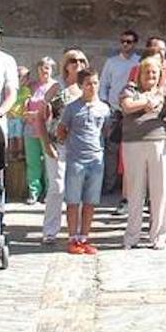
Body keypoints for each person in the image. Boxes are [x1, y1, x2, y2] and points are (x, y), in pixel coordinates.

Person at [119, 53, 166, 250]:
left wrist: (162, 97)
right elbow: (127, 106)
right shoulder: (130, 89)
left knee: (161, 190)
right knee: (135, 191)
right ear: (140, 74)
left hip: (161, 142)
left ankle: (159, 236)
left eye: (154, 72)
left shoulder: (165, 89)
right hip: (133, 143)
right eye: (147, 72)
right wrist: (147, 102)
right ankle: (132, 236)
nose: (151, 75)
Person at [58, 69, 109, 255]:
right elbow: (62, 129)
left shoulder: (104, 108)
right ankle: (72, 238)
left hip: (96, 159)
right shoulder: (72, 108)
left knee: (90, 201)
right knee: (73, 201)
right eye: (88, 83)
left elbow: (106, 130)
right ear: (81, 85)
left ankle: (84, 238)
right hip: (76, 159)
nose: (92, 87)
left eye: (95, 83)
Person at [40, 49, 87, 245]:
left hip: (80, 146)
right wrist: (45, 143)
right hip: (56, 143)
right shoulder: (57, 87)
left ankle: (76, 231)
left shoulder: (87, 87)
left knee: (77, 189)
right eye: (73, 60)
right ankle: (50, 230)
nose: (78, 64)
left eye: (81, 61)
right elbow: (40, 117)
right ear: (66, 64)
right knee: (57, 187)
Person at [98, 30, 140, 194]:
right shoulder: (111, 62)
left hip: (134, 111)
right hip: (114, 110)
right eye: (123, 41)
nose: (125, 44)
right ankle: (110, 184)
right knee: (111, 149)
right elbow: (103, 84)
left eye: (129, 41)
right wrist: (105, 104)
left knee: (132, 149)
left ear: (135, 44)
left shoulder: (139, 62)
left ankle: (129, 187)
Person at [22, 58, 57, 205]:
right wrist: (25, 113)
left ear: (52, 70)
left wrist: (37, 114)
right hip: (30, 129)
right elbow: (22, 102)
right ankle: (34, 192)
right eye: (42, 67)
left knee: (49, 163)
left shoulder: (55, 86)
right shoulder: (32, 86)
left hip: (48, 130)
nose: (44, 70)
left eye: (47, 67)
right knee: (33, 162)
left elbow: (56, 108)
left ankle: (50, 191)